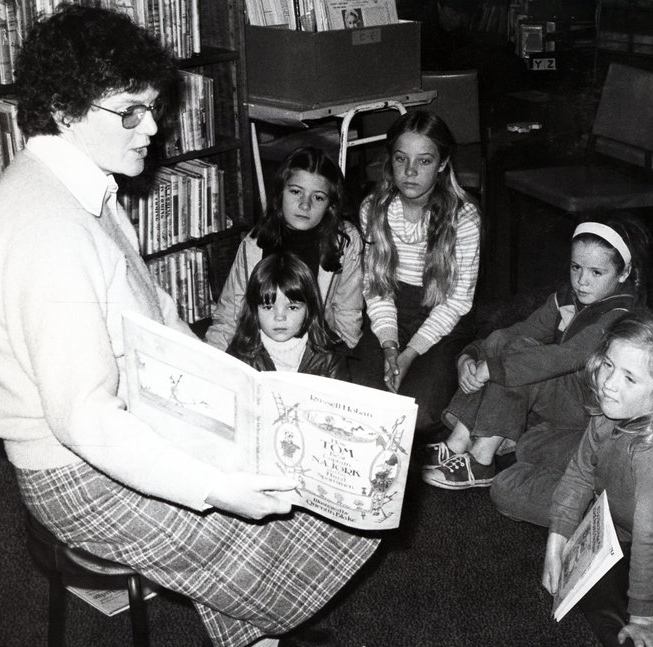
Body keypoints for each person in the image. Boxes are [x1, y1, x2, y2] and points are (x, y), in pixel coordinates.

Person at [0, 5, 378, 647]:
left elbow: (154, 313)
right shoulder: (49, 227)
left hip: (125, 416)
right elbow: (83, 419)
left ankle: (250, 628)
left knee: (300, 461)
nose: (155, 127)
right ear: (62, 108)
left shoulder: (79, 190)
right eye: (131, 111)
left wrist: (238, 389)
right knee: (318, 503)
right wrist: (213, 485)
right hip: (77, 475)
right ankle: (251, 629)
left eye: (154, 107)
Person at [541, 310, 653, 647]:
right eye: (608, 365)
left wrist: (641, 617)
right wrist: (555, 542)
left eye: (629, 378)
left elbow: (651, 536)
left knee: (511, 489)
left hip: (636, 537)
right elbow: (578, 472)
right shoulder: (608, 411)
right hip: (604, 513)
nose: (609, 383)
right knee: (532, 477)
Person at [421, 218, 643, 491]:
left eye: (597, 273)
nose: (582, 281)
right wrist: (469, 356)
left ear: (623, 273)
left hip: (589, 408)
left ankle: (482, 458)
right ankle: (458, 441)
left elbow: (566, 356)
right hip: (560, 394)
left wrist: (492, 368)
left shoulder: (619, 316)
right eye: (576, 268)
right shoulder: (566, 297)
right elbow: (518, 332)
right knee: (505, 340)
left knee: (521, 357)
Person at [351, 110, 481, 434]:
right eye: (401, 159)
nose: (410, 171)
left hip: (442, 320)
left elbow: (455, 304)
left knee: (416, 416)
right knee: (362, 404)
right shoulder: (373, 209)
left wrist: (410, 354)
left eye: (423, 161)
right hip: (390, 314)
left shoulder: (463, 219)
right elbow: (377, 289)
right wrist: (390, 345)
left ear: (441, 164)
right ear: (390, 160)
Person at [206, 146, 363, 353]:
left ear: (330, 205)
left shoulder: (345, 241)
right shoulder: (254, 243)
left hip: (316, 349)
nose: (304, 205)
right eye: (296, 192)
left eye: (318, 197)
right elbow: (229, 314)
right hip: (263, 347)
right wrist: (209, 358)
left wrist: (341, 357)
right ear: (280, 193)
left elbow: (348, 311)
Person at [226, 251, 348, 379]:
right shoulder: (239, 355)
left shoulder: (330, 355)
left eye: (292, 307)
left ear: (309, 309)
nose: (280, 317)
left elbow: (342, 397)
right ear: (254, 310)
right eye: (268, 307)